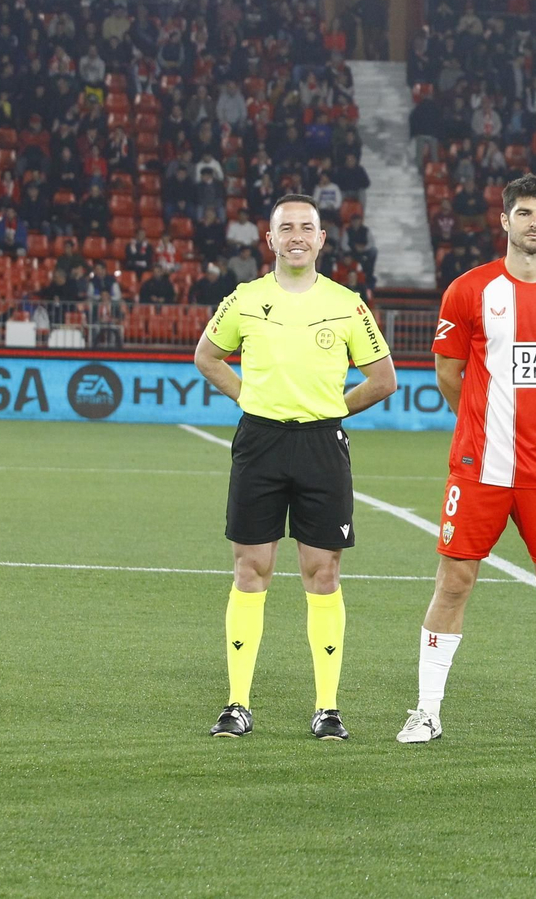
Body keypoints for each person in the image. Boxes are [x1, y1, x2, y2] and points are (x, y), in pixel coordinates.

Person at [397, 174, 536, 746]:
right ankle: (426, 712)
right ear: (505, 221)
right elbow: (448, 372)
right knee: (454, 581)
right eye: (524, 213)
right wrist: (480, 419)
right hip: (479, 466)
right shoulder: (468, 291)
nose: (534, 223)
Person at [193, 193, 398, 740]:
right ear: (271, 239)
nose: (297, 236)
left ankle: (327, 708)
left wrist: (333, 409)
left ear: (322, 238)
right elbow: (206, 356)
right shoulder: (243, 299)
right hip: (259, 444)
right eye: (287, 228)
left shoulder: (347, 304)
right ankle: (238, 704)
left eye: (308, 227)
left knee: (323, 574)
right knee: (249, 571)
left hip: (320, 448)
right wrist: (247, 398)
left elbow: (383, 378)